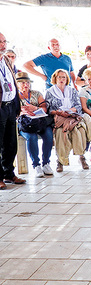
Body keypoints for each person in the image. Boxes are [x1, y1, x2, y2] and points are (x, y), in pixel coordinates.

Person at [45, 69, 91, 172]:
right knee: (60, 133)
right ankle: (61, 160)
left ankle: (81, 157)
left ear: (67, 79)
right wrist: (59, 112)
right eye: (59, 77)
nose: (62, 79)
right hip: (59, 118)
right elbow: (48, 109)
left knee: (80, 131)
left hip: (73, 117)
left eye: (64, 77)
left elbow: (78, 105)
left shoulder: (72, 90)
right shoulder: (50, 92)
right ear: (55, 78)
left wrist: (70, 110)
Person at [16, 72, 54, 177]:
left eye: (27, 82)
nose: (26, 84)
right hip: (25, 124)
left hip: (39, 121)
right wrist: (22, 111)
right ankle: (36, 165)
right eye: (22, 82)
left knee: (48, 135)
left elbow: (45, 109)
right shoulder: (15, 96)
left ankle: (46, 162)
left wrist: (35, 108)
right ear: (17, 84)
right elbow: (13, 112)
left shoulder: (36, 93)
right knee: (31, 138)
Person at [0, 32, 25, 189]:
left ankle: (9, 173)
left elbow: (13, 82)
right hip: (0, 106)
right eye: (0, 42)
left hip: (11, 105)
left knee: (11, 143)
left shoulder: (7, 60)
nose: (3, 44)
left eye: (4, 41)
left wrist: (17, 105)